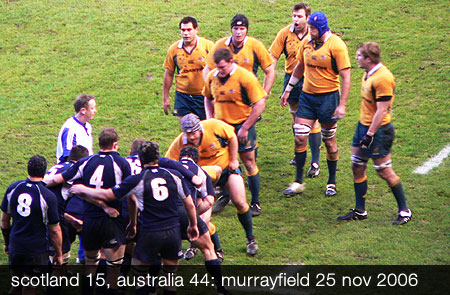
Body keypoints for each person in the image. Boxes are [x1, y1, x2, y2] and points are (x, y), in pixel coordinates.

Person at [70, 141, 205, 295]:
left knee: (140, 273)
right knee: (170, 276)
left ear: (140, 159)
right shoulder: (172, 175)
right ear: (158, 158)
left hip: (150, 232)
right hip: (172, 232)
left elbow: (109, 194)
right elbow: (189, 203)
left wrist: (84, 189)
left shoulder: (138, 179)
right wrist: (193, 225)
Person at [46, 127, 131, 295]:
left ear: (99, 143)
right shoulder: (122, 163)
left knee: (90, 264)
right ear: (116, 144)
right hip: (111, 221)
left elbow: (58, 179)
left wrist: (38, 185)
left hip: (89, 221)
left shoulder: (85, 162)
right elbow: (129, 194)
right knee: (113, 268)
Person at [337, 42, 412, 225]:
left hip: (378, 131)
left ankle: (404, 210)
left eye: (359, 56)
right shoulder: (368, 74)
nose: (356, 59)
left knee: (384, 171)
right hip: (363, 126)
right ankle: (360, 210)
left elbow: (382, 110)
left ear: (369, 59)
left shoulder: (383, 78)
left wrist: (369, 134)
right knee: (357, 165)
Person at [165, 114, 259, 256]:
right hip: (203, 180)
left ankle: (250, 239)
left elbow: (232, 136)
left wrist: (233, 160)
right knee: (200, 216)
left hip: (226, 171)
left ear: (200, 129)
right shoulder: (180, 142)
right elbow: (168, 163)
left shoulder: (213, 126)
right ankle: (197, 243)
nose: (191, 137)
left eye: (193, 133)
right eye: (187, 134)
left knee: (240, 202)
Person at [281, 12, 351, 197]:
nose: (310, 31)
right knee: (299, 137)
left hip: (328, 99)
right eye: (310, 28)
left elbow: (346, 76)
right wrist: (288, 88)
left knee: (329, 141)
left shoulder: (337, 46)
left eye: (313, 28)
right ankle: (298, 182)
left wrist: (342, 104)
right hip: (307, 97)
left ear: (321, 28)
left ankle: (332, 181)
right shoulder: (307, 43)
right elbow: (300, 66)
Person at [203, 48, 268, 217]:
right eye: (217, 67)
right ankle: (226, 195)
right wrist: (211, 120)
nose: (219, 71)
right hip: (221, 128)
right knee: (223, 163)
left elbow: (260, 104)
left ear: (231, 62)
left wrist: (246, 127)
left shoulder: (246, 78)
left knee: (248, 162)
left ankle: (255, 202)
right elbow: (207, 98)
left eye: (222, 67)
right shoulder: (212, 76)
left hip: (241, 126)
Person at [270, 3, 322, 176]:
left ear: (307, 18)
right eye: (294, 16)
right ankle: (300, 151)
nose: (296, 19)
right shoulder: (284, 33)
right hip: (291, 78)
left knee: (313, 120)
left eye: (299, 16)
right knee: (295, 118)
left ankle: (315, 162)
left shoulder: (314, 34)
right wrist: (268, 85)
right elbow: (273, 58)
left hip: (310, 79)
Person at [1, 155, 62, 295]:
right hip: (36, 249)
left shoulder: (13, 188)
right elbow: (54, 230)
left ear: (28, 169)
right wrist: (58, 253)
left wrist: (7, 243)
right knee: (29, 286)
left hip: (16, 246)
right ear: (44, 172)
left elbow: (4, 221)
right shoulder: (48, 195)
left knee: (16, 284)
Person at [203, 14, 276, 95]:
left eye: (242, 29)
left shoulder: (256, 46)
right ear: (231, 29)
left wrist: (264, 94)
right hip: (226, 94)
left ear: (247, 30)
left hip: (248, 94)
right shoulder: (220, 45)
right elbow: (207, 69)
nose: (238, 32)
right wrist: (211, 90)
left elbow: (270, 71)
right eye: (236, 29)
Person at [163, 16, 214, 121]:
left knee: (205, 130)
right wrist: (165, 97)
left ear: (196, 30)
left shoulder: (208, 46)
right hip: (183, 96)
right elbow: (169, 73)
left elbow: (217, 70)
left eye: (189, 30)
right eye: (183, 30)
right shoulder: (174, 49)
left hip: (203, 95)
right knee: (186, 129)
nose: (186, 33)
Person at [179, 146, 224, 263]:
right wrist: (193, 214)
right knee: (208, 248)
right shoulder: (200, 171)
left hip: (165, 213)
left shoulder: (168, 168)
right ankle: (217, 252)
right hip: (186, 212)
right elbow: (209, 201)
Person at [56, 94, 97, 163]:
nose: (95, 111)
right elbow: (69, 159)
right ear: (83, 110)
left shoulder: (87, 126)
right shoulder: (70, 129)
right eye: (92, 108)